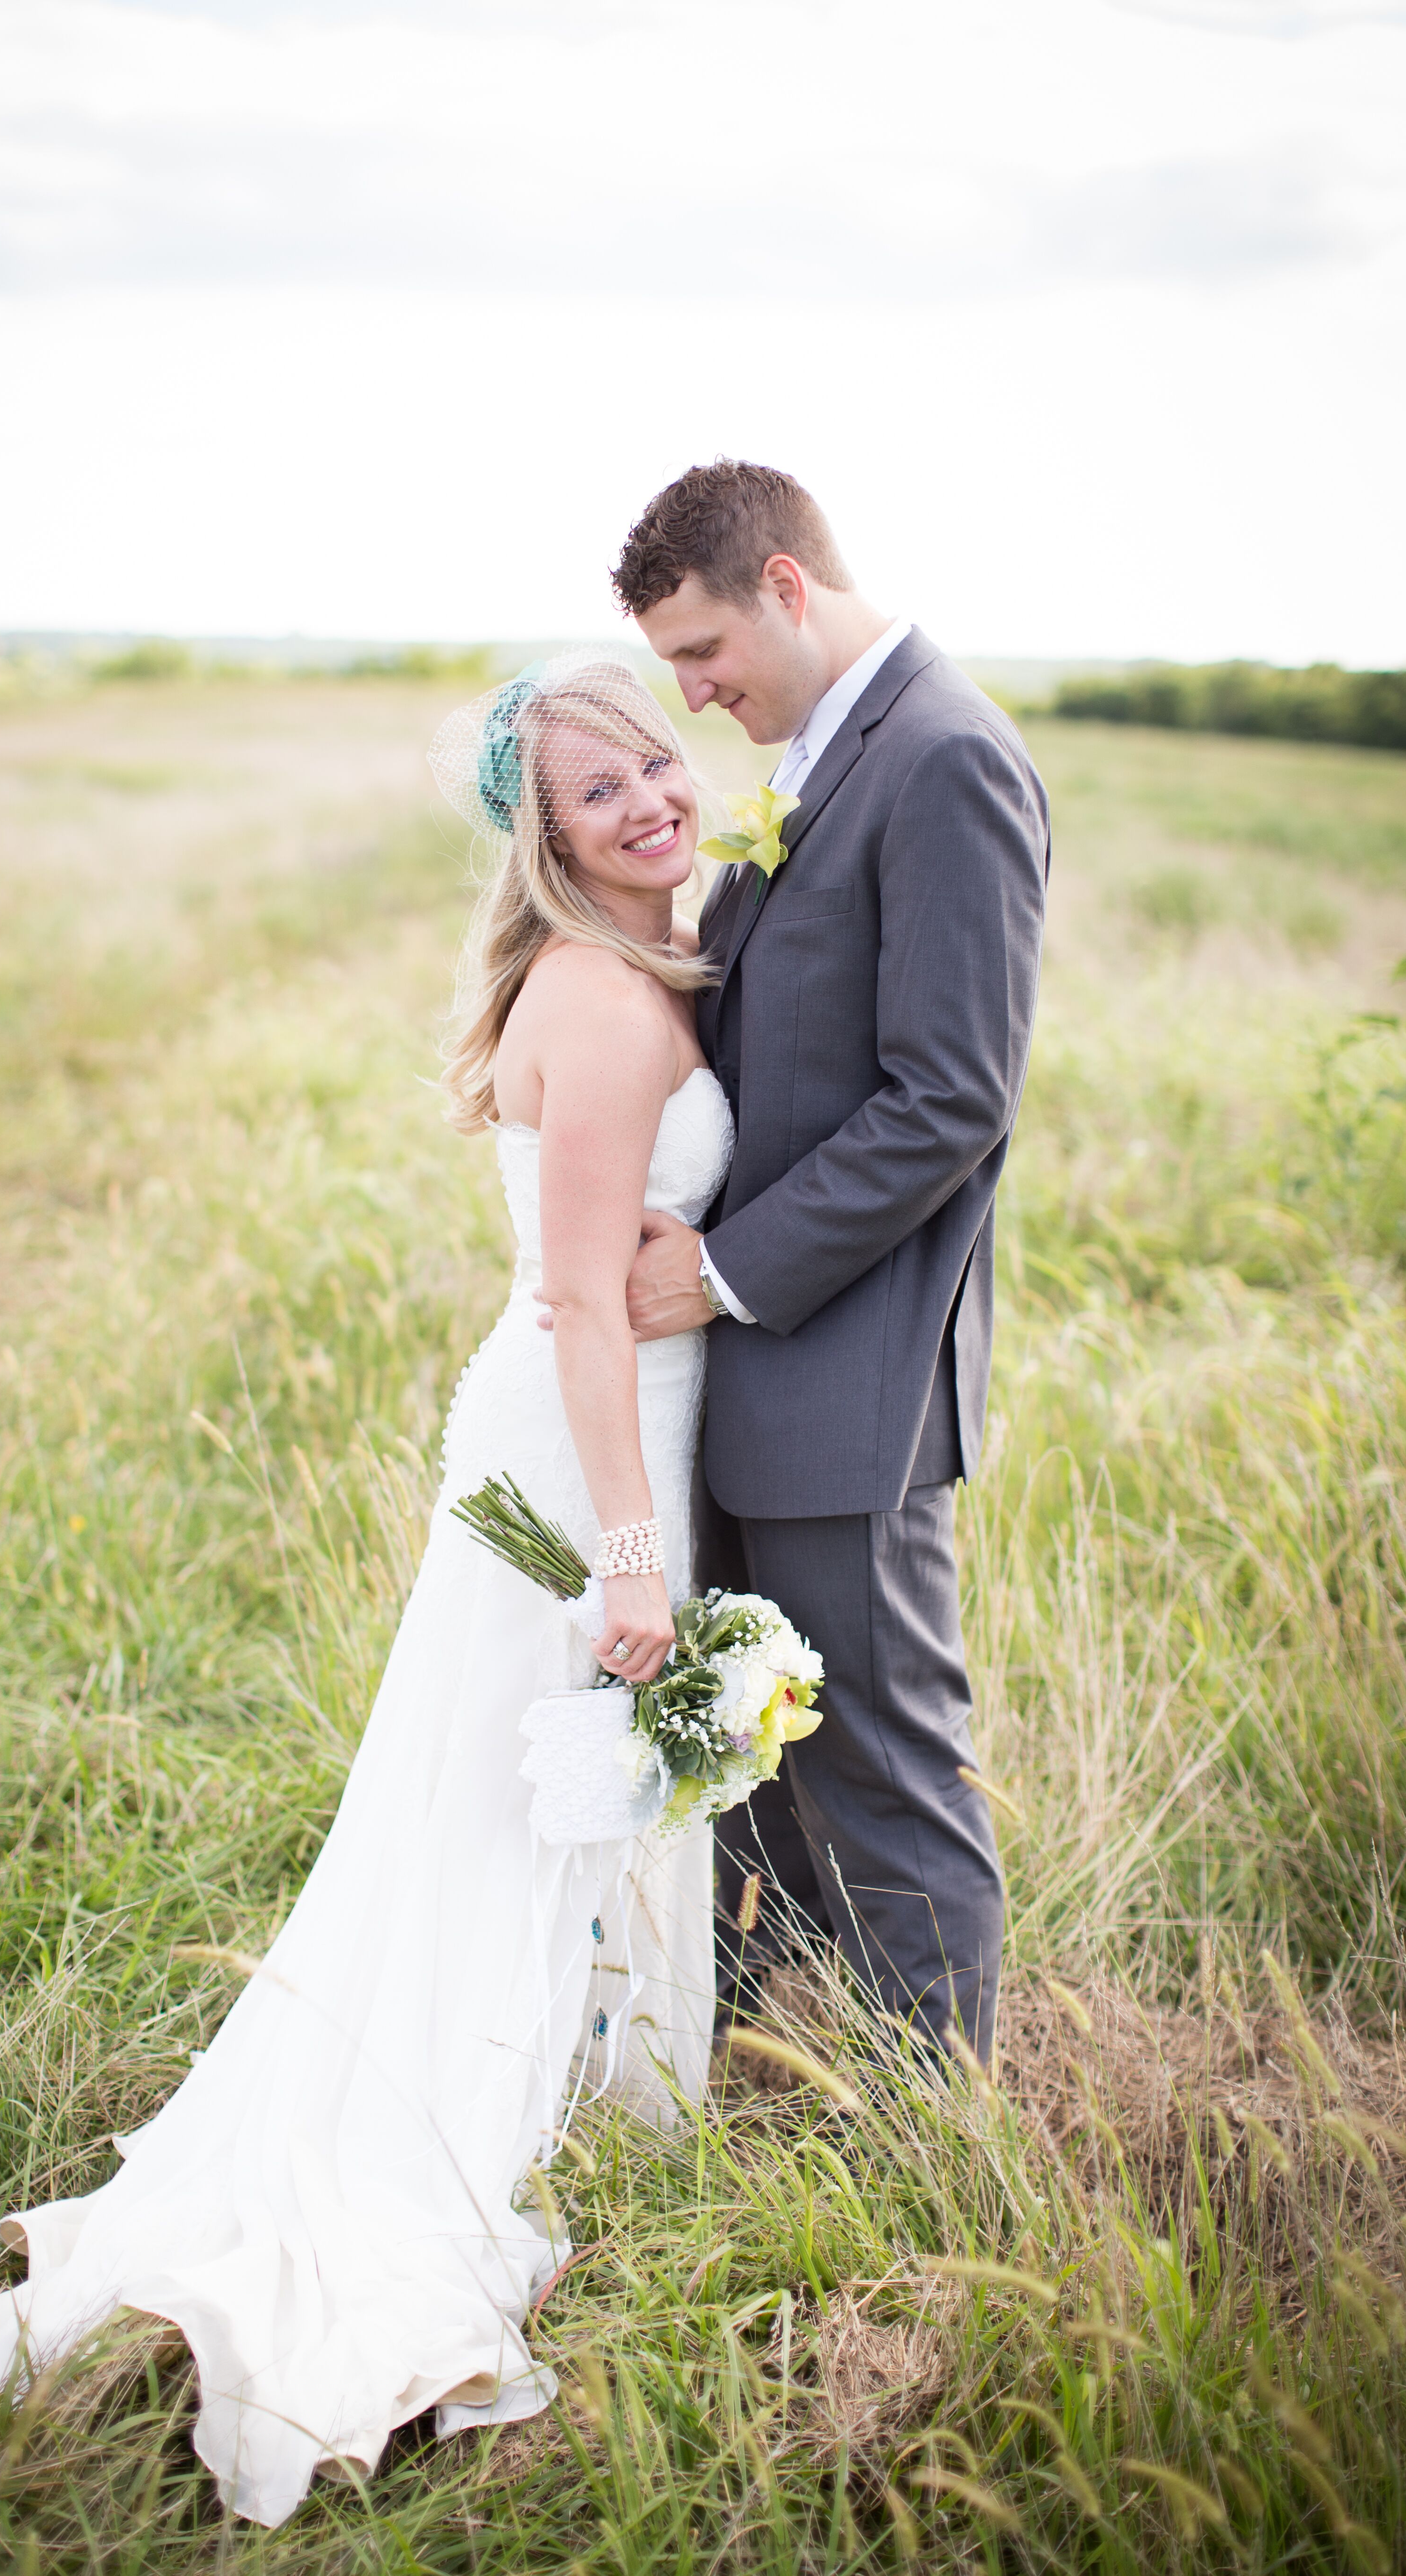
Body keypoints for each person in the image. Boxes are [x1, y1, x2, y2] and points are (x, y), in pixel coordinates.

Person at [0, 654, 734, 2524]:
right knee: (512, 1800)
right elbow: (584, 1294)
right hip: (586, 1448)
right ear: (551, 838)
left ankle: (585, 2091)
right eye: (601, 795)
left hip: (609, 1424)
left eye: (658, 758)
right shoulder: (596, 999)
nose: (651, 800)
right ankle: (456, 2131)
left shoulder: (662, 959)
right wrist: (637, 1556)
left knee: (536, 1792)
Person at [611, 459, 1050, 2067]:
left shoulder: (944, 759)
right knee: (759, 1763)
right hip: (758, 1377)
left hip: (849, 1376)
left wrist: (718, 1274)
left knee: (882, 1765)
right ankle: (784, 2067)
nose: (695, 692)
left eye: (704, 650)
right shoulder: (825, 752)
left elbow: (951, 1096)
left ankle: (940, 2136)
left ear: (787, 585)